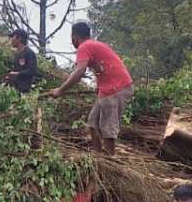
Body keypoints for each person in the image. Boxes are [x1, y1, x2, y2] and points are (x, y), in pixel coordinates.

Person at [49, 21, 133, 154]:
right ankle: (99, 157)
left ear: (74, 37)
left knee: (107, 127)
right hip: (111, 88)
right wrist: (99, 87)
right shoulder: (95, 45)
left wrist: (60, 90)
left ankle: (111, 161)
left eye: (72, 37)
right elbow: (103, 68)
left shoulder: (84, 46)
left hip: (116, 89)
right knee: (93, 124)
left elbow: (80, 71)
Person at [4, 28, 38, 93]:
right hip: (14, 90)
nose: (11, 40)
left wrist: (17, 74)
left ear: (19, 38)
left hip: (24, 91)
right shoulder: (17, 54)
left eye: (13, 37)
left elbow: (32, 71)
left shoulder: (29, 53)